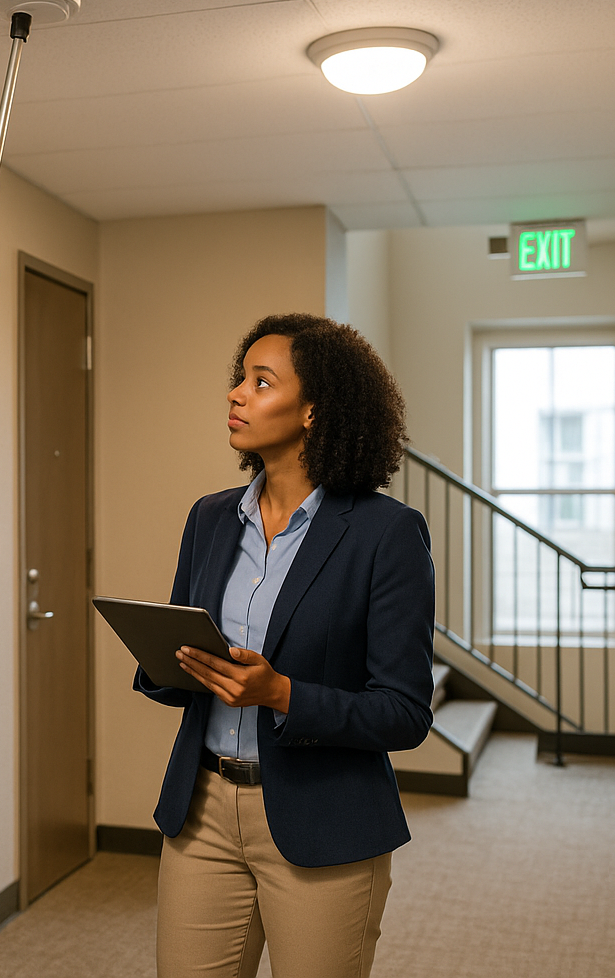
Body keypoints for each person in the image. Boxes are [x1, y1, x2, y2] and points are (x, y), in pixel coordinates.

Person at [135, 313, 435, 978]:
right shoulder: (211, 517)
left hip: (322, 817)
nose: (236, 394)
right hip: (203, 811)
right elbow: (186, 654)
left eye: (261, 382)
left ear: (312, 412)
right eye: (239, 379)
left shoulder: (387, 534)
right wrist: (167, 658)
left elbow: (405, 712)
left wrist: (282, 694)